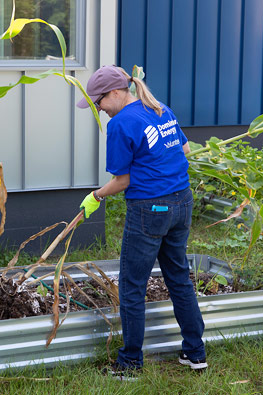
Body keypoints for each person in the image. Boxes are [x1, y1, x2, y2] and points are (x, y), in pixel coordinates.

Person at [77, 65, 207, 379]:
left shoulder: (121, 124)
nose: (98, 109)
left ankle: (130, 363)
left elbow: (121, 181)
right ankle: (195, 352)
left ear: (116, 93)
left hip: (151, 209)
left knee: (133, 286)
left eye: (99, 102)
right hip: (181, 203)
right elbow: (185, 150)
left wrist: (96, 196)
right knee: (178, 277)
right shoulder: (160, 108)